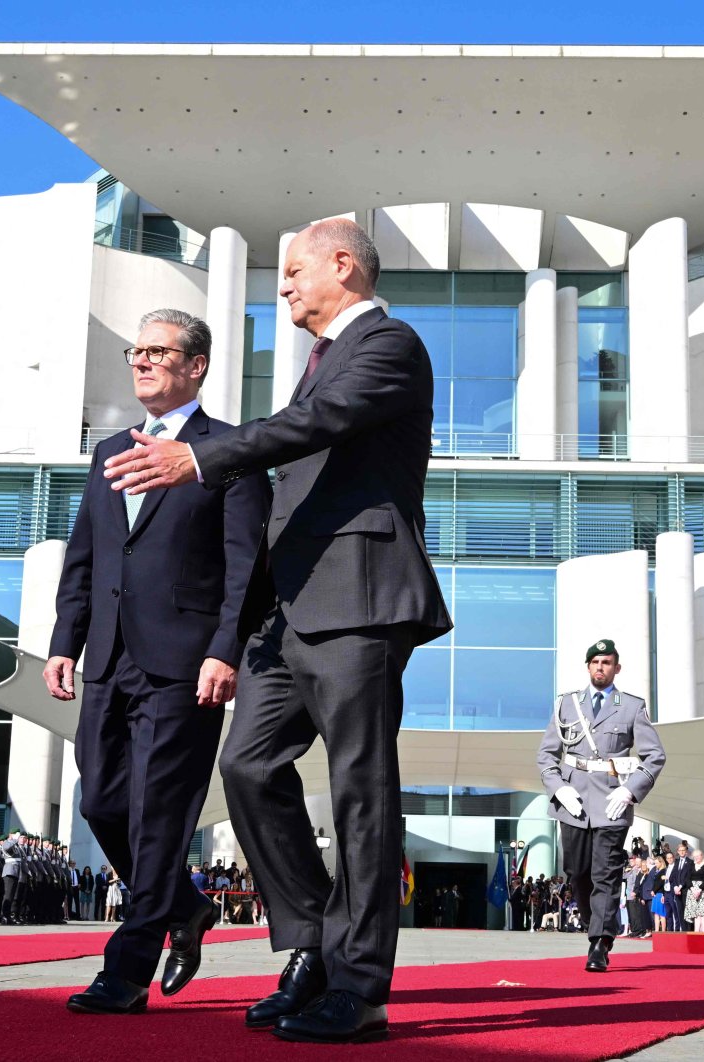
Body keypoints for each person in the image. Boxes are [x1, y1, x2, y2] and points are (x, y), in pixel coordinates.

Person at [102, 218, 452, 1044]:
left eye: (294, 270)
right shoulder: (320, 365)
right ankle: (308, 945)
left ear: (343, 266)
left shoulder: (388, 345)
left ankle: (359, 985)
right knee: (249, 766)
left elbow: (316, 427)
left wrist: (203, 458)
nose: (284, 284)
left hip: (360, 598)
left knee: (362, 791)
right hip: (287, 613)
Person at [47, 307, 268, 1016]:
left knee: (160, 816)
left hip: (185, 665)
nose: (141, 363)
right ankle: (184, 905)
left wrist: (224, 649)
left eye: (157, 352)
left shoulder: (229, 451)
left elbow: (247, 565)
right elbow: (88, 554)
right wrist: (64, 641)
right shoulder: (109, 448)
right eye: (135, 352)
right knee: (101, 800)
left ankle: (128, 967)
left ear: (195, 365)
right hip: (110, 656)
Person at [537, 639, 667, 973]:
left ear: (616, 668)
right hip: (574, 801)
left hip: (612, 801)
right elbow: (547, 755)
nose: (600, 667)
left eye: (606, 662)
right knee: (577, 873)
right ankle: (594, 923)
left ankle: (601, 943)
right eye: (595, 662)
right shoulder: (567, 705)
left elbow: (655, 756)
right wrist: (558, 788)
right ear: (588, 667)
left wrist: (630, 791)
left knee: (605, 875)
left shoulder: (632, 707)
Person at [682, 846, 704, 930]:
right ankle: (696, 933)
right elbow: (687, 879)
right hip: (692, 891)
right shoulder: (691, 866)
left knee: (703, 914)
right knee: (696, 914)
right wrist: (692, 889)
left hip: (702, 891)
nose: (696, 858)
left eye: (698, 856)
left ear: (702, 856)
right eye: (694, 856)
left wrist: (699, 890)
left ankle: (703, 934)